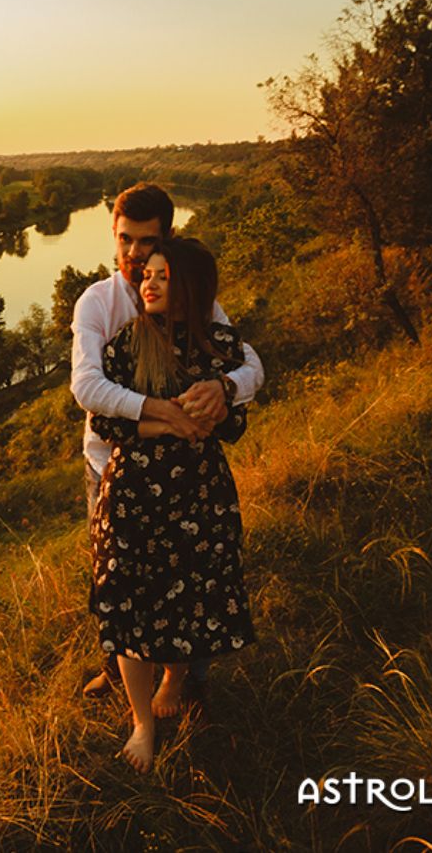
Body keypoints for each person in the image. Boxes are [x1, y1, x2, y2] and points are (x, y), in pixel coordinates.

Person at [69, 183, 263, 701]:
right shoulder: (98, 302)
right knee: (117, 577)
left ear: (167, 237)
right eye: (124, 239)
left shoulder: (195, 297)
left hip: (187, 476)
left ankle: (188, 682)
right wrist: (164, 414)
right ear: (113, 234)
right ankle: (119, 671)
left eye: (146, 241)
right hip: (112, 467)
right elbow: (87, 387)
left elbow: (250, 365)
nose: (133, 254)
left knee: (190, 575)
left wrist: (225, 388)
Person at [89, 236, 256, 771]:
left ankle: (176, 677)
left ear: (191, 285)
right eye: (147, 275)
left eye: (163, 275)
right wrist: (168, 422)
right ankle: (141, 723)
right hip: (132, 495)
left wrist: (216, 406)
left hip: (199, 496)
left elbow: (233, 425)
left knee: (191, 596)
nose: (150, 282)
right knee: (128, 603)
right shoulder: (126, 342)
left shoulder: (221, 344)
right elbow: (104, 420)